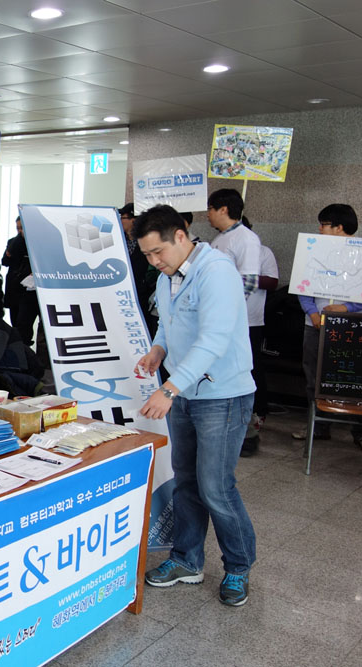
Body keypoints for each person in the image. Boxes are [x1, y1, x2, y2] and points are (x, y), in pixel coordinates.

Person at [133, 204, 256, 608]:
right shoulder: (168, 275)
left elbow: (214, 338)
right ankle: (187, 559)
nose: (154, 261)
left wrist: (168, 390)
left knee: (215, 485)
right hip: (187, 392)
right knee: (186, 479)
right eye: (147, 255)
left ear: (181, 236)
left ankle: (238, 565)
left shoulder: (216, 271)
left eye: (158, 252)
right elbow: (167, 322)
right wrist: (158, 349)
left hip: (222, 395)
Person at [291, 204, 362, 449]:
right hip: (315, 325)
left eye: (324, 224)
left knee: (358, 379)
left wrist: (346, 308)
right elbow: (302, 287)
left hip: (354, 327)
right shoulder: (313, 251)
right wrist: (313, 313)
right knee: (314, 377)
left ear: (339, 227)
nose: (319, 229)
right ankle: (318, 425)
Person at [207, 189, 263, 455]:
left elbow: (248, 283)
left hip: (234, 321)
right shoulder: (220, 238)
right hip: (216, 319)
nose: (207, 214)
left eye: (210, 209)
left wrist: (223, 309)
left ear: (223, 209)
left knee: (234, 374)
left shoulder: (246, 238)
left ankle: (247, 436)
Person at [240, 217, 279, 455]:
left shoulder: (263, 252)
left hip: (251, 319)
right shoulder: (219, 248)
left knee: (253, 366)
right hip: (222, 319)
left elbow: (272, 282)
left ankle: (258, 411)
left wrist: (243, 277)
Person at [2, 215, 39, 346]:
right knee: (15, 325)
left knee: (24, 326)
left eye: (22, 228)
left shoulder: (37, 243)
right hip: (14, 288)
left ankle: (25, 352)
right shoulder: (13, 242)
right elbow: (5, 261)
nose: (20, 231)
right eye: (18, 228)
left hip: (29, 292)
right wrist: (18, 239)